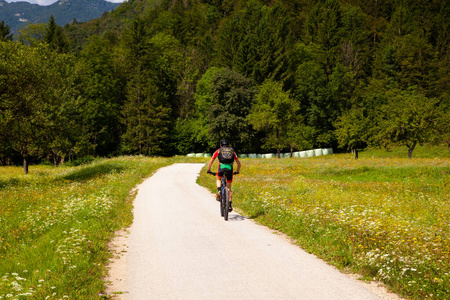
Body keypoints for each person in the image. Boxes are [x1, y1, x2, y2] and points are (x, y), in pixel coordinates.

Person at [207, 139, 241, 211]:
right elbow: (239, 164)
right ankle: (229, 205)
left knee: (218, 179)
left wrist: (209, 170)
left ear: (220, 145)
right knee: (229, 188)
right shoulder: (232, 152)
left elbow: (210, 162)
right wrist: (237, 171)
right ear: (228, 145)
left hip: (221, 168)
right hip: (230, 169)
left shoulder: (218, 151)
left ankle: (219, 191)